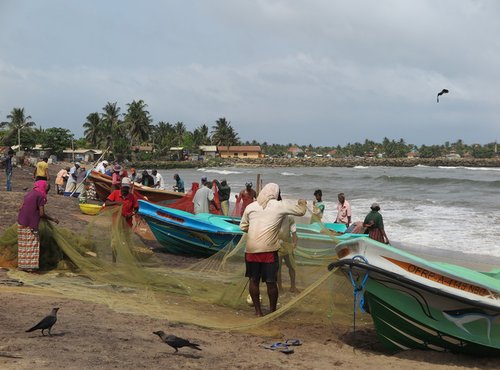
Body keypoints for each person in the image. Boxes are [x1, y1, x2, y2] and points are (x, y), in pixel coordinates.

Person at [239, 183, 306, 316]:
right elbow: (301, 211)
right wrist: (302, 202)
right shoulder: (279, 205)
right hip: (268, 251)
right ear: (275, 194)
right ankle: (272, 311)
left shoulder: (251, 206)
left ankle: (258, 312)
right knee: (271, 282)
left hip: (251, 250)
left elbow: (243, 227)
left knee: (253, 280)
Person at [17, 180, 59, 271]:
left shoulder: (29, 194)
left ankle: (22, 265)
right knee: (33, 245)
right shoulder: (41, 196)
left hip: (21, 222)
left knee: (24, 245)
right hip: (31, 224)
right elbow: (42, 214)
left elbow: (20, 208)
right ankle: (31, 267)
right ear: (44, 188)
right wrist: (53, 219)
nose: (46, 192)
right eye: (47, 189)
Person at [277, 215, 299, 293]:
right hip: (276, 246)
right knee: (277, 269)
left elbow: (294, 233)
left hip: (287, 245)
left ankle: (293, 286)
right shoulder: (274, 216)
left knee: (291, 266)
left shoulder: (290, 219)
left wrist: (294, 243)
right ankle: (279, 288)